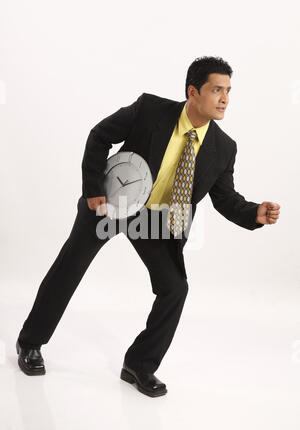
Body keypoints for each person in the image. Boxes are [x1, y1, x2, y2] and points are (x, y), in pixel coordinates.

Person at [16, 56, 280, 398]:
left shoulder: (223, 147)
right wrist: (94, 190)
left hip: (155, 220)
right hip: (112, 201)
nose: (225, 98)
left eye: (228, 90)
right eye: (217, 89)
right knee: (70, 268)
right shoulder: (150, 110)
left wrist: (254, 213)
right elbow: (99, 136)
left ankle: (139, 365)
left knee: (175, 288)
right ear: (193, 92)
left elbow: (225, 198)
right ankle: (31, 342)